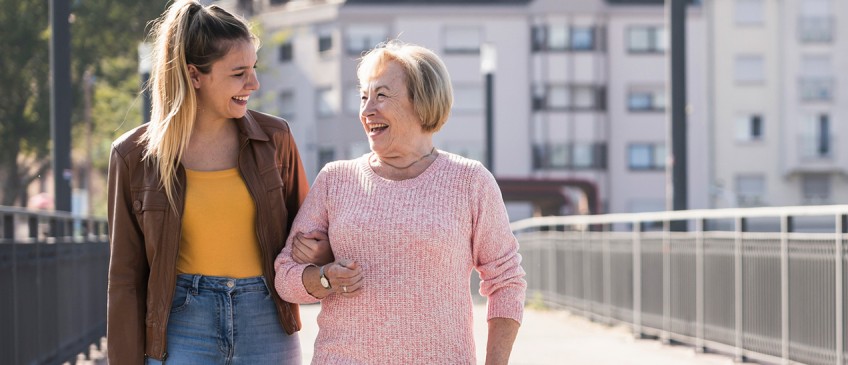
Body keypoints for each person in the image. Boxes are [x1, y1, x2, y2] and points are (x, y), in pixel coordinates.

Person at [275, 40, 526, 364]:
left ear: (422, 102)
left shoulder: (470, 182)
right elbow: (285, 275)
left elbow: (506, 282)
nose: (366, 110)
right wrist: (324, 277)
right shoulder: (335, 180)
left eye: (381, 96)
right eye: (364, 97)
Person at [106, 1, 331, 363]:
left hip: (267, 321)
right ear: (194, 75)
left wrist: (319, 252)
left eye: (254, 69)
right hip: (181, 326)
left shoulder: (275, 140)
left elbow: (310, 234)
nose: (254, 83)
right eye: (238, 72)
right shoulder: (133, 156)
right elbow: (125, 280)